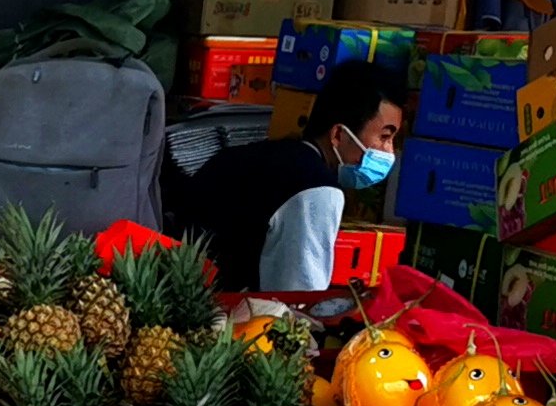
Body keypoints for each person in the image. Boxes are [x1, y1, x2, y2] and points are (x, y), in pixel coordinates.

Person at [174, 59, 406, 292]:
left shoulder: (261, 156)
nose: (388, 151)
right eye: (384, 137)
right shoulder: (315, 189)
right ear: (338, 134)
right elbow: (299, 296)